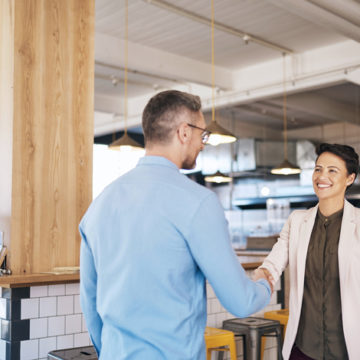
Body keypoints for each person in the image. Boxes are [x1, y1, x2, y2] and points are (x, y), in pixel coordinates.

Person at [80, 90, 272, 360]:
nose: (203, 144)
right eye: (202, 135)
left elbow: (90, 303)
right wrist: (263, 284)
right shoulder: (199, 202)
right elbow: (241, 301)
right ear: (184, 132)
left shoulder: (99, 204)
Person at [255, 143, 360, 360]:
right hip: (304, 347)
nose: (322, 176)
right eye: (318, 169)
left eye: (333, 170)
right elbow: (274, 262)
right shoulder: (296, 221)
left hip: (348, 348)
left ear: (350, 178)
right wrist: (264, 273)